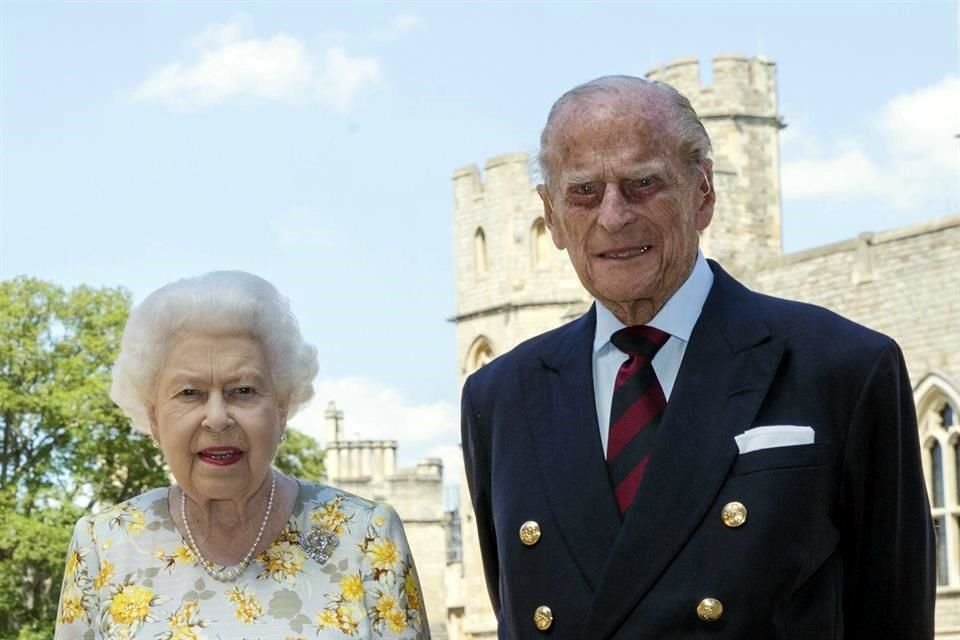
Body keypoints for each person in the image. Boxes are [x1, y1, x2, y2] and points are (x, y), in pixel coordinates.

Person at [460, 76, 935, 639]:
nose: (613, 216)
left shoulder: (844, 369)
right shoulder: (500, 397)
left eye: (642, 183)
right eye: (584, 192)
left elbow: (892, 615)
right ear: (552, 217)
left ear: (703, 193)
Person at [55, 271, 428, 639]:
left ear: (281, 409)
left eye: (244, 390)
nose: (217, 418)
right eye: (189, 393)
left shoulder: (366, 536)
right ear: (154, 418)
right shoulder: (102, 544)